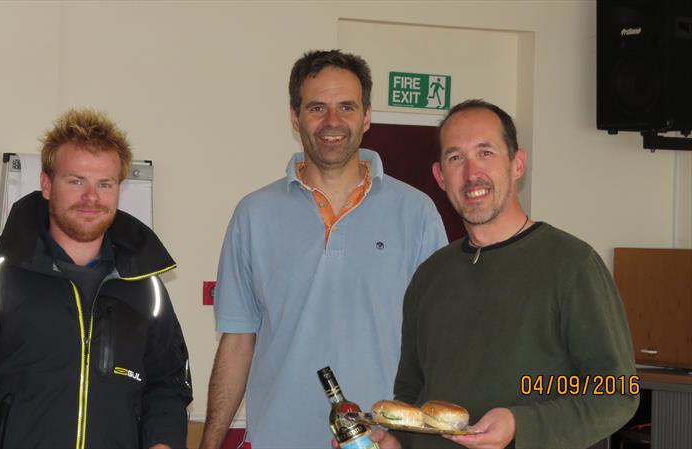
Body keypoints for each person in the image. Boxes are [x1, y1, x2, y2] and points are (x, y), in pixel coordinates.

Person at [200, 50, 447, 449]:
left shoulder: (416, 213)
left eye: (346, 107)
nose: (332, 122)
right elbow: (237, 343)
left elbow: (438, 346)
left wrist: (413, 441)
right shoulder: (253, 214)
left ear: (367, 116)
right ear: (295, 117)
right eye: (317, 107)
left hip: (381, 444)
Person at [0, 109, 193, 449]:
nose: (91, 197)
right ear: (47, 184)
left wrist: (163, 443)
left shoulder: (145, 288)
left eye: (104, 184)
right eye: (76, 181)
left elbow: (167, 385)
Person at [382, 99, 638, 449]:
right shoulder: (430, 276)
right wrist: (395, 438)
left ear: (517, 164)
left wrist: (521, 423)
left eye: (485, 153)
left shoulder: (572, 265)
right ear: (440, 176)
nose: (472, 173)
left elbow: (617, 392)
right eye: (456, 157)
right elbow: (411, 392)